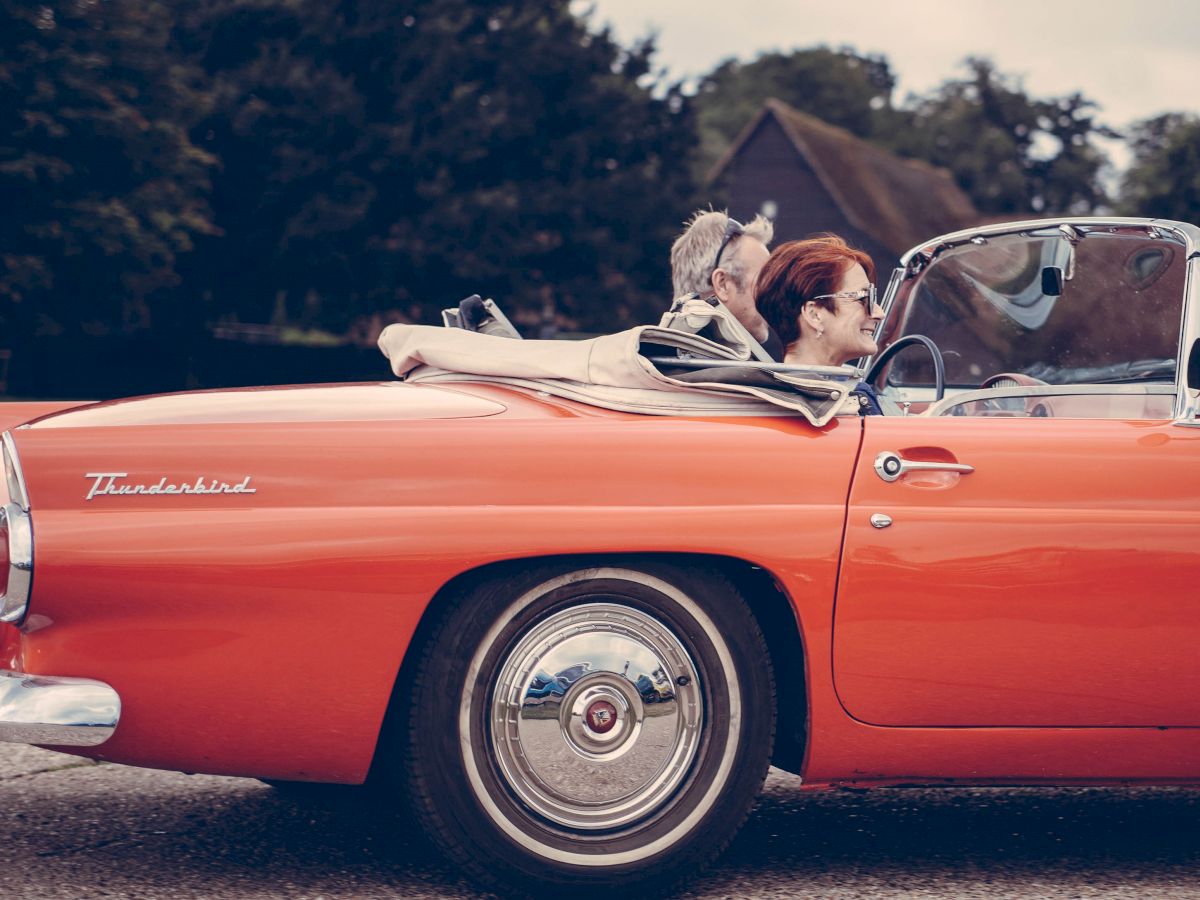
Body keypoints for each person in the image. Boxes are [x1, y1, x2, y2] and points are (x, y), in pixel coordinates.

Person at [755, 234, 886, 412]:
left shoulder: (766, 403)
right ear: (814, 315)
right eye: (864, 298)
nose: (879, 313)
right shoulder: (848, 402)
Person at [669, 210, 783, 361]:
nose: (775, 294)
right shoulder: (731, 379)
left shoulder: (651, 362)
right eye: (765, 280)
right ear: (722, 284)